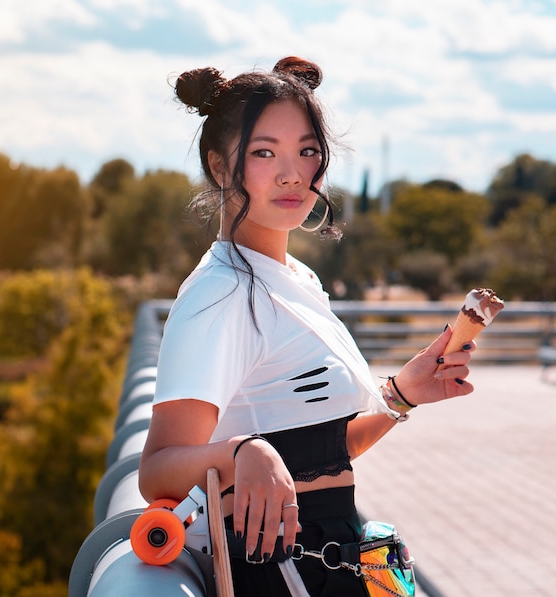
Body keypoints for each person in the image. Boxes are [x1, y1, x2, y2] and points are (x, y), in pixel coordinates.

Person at [139, 56, 475, 596]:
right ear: (220, 167)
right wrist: (242, 452)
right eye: (264, 152)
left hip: (337, 557)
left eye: (308, 151)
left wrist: (400, 396)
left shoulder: (297, 277)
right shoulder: (221, 292)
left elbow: (319, 457)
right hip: (279, 568)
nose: (293, 173)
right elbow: (157, 471)